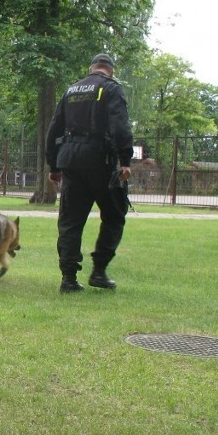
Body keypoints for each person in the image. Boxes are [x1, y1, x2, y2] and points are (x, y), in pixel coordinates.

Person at [46, 52, 133, 294]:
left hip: (71, 161)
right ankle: (99, 271)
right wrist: (125, 160)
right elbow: (120, 126)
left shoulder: (71, 90)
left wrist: (53, 165)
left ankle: (69, 278)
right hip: (101, 162)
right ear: (110, 70)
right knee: (114, 216)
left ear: (91, 68)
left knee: (70, 221)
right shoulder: (112, 89)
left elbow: (54, 128)